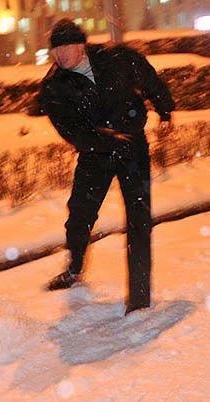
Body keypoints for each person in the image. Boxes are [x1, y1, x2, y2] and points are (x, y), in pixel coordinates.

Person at [38, 19, 175, 314]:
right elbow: (72, 131)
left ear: (81, 45)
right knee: (79, 215)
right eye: (55, 49)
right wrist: (109, 140)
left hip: (134, 148)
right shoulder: (54, 87)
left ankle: (139, 298)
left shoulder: (116, 57)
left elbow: (148, 78)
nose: (60, 54)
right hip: (96, 153)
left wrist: (165, 108)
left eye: (66, 46)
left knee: (139, 220)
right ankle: (74, 267)